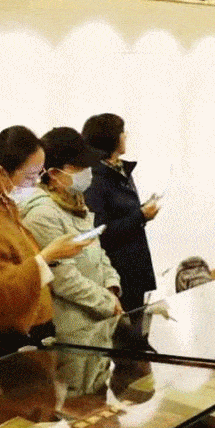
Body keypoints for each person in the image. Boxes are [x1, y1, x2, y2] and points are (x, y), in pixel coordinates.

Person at [0, 125, 89, 364]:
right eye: (29, 176)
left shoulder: (3, 204)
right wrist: (47, 256)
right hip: (11, 335)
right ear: (1, 172)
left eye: (38, 174)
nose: (36, 183)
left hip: (29, 328)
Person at [19, 127, 122, 396]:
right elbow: (64, 279)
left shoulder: (76, 202)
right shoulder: (42, 213)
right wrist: (107, 302)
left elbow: (98, 252)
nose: (88, 173)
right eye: (79, 167)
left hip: (97, 323)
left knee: (98, 398)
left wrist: (112, 286)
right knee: (76, 405)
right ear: (54, 173)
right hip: (71, 329)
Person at [82, 113, 159, 314]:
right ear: (110, 139)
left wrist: (143, 212)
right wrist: (141, 215)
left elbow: (122, 214)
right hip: (117, 271)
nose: (125, 136)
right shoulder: (95, 180)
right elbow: (99, 231)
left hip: (137, 265)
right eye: (122, 132)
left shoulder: (121, 170)